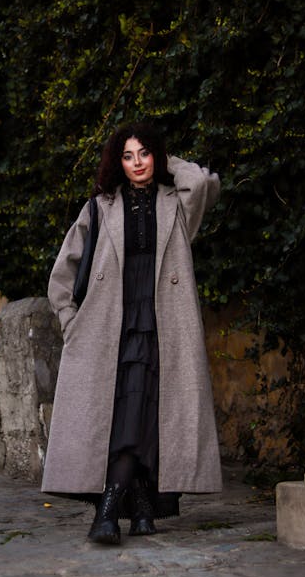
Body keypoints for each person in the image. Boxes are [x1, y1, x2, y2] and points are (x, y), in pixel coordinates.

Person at [42, 122, 222, 544]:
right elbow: (62, 273)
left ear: (156, 156)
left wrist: (165, 159)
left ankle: (109, 512)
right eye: (128, 155)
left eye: (144, 154)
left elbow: (200, 181)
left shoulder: (176, 203)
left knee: (142, 417)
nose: (137, 163)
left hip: (161, 328)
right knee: (128, 418)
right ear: (116, 162)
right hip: (109, 332)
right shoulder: (100, 207)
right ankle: (137, 510)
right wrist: (70, 322)